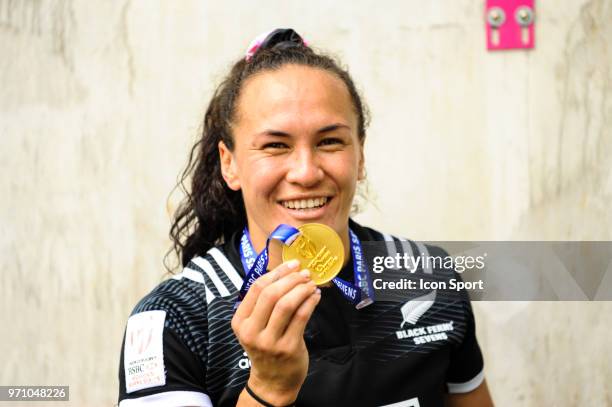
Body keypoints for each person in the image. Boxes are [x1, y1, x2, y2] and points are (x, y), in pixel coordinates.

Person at [117, 29, 494, 407]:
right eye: (275, 145)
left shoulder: (429, 276)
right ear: (229, 164)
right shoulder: (175, 318)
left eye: (330, 141)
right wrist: (268, 387)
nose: (306, 172)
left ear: (360, 156)